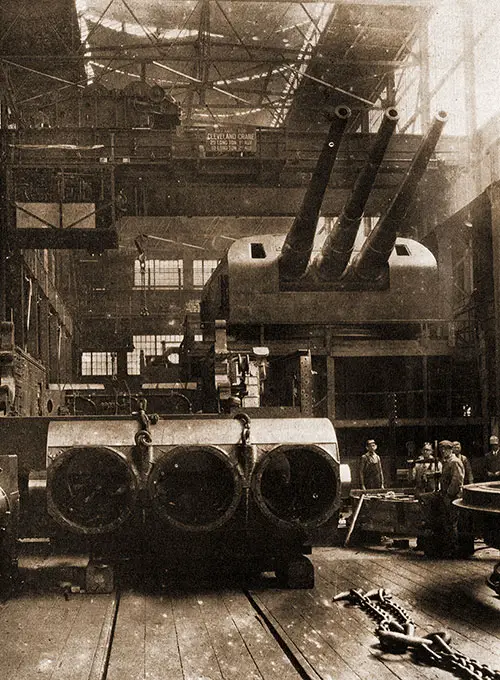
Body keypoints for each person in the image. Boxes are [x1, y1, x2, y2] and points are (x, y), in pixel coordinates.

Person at [438, 440, 465, 557]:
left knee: (452, 523)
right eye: (441, 449)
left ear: (451, 450)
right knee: (447, 523)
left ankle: (453, 549)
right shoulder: (446, 462)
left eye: (445, 449)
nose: (443, 451)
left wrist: (449, 494)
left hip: (453, 497)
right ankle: (449, 548)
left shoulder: (454, 462)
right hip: (446, 496)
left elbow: (457, 480)